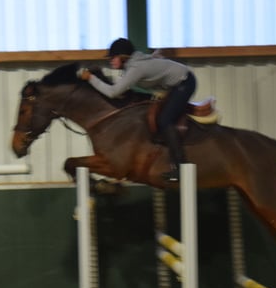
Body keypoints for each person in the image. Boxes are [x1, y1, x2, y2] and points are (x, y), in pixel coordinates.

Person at [77, 37, 196, 182]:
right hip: (176, 83)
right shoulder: (134, 64)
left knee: (165, 120)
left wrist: (91, 78)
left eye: (113, 57)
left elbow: (113, 92)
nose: (111, 60)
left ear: (123, 57)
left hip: (185, 83)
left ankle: (180, 166)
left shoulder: (136, 68)